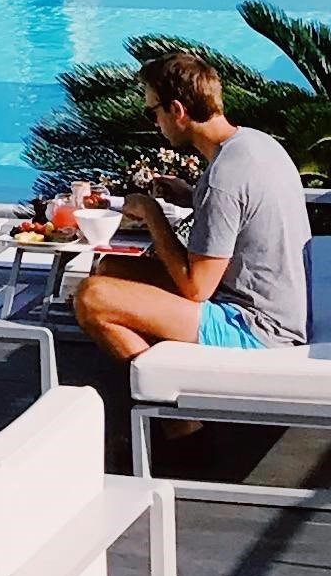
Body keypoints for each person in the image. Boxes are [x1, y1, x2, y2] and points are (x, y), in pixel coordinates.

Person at [72, 44, 312, 367]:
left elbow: (195, 288)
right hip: (278, 309)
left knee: (91, 297)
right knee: (112, 269)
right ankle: (172, 375)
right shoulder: (255, 144)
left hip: (256, 330)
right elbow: (241, 213)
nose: (154, 123)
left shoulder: (223, 178)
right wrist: (190, 195)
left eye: (152, 112)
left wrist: (151, 212)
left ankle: (172, 397)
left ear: (177, 110)